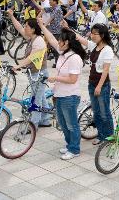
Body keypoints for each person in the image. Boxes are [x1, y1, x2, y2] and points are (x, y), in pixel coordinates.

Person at [38, 23, 87, 160]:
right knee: (63, 123)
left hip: (70, 96)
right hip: (59, 94)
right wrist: (41, 25)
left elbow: (72, 79)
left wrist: (55, 78)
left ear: (67, 43)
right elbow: (51, 39)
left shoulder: (75, 58)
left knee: (71, 124)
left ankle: (74, 149)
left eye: (61, 40)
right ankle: (69, 144)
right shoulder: (62, 53)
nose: (58, 42)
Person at [6, 9, 51, 128]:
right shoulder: (32, 38)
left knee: (35, 99)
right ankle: (46, 119)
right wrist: (11, 16)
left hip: (40, 74)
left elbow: (31, 58)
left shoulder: (39, 41)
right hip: (34, 73)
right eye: (25, 26)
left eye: (27, 26)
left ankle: (33, 125)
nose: (24, 28)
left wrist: (18, 66)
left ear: (33, 29)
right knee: (40, 96)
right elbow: (19, 28)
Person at [76, 24, 114, 145]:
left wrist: (99, 86)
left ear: (102, 35)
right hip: (91, 83)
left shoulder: (107, 49)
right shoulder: (94, 46)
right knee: (96, 112)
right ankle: (101, 135)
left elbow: (105, 70)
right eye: (91, 33)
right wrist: (68, 28)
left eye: (95, 34)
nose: (92, 35)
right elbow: (82, 40)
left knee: (104, 113)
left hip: (102, 85)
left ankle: (109, 136)